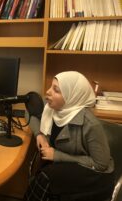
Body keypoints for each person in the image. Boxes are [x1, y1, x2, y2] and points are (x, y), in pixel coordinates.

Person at [23, 71, 115, 201]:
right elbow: (29, 112)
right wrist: (39, 135)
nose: (48, 92)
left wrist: (57, 155)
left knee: (46, 177)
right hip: (62, 166)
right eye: (50, 86)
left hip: (94, 175)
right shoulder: (51, 107)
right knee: (44, 176)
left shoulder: (91, 125)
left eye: (56, 90)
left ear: (72, 96)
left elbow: (100, 165)